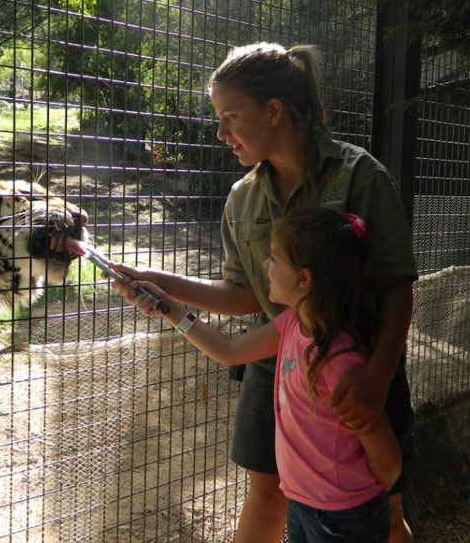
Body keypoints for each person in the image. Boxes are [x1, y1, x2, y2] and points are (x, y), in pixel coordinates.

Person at [109, 42, 416, 543]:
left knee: (384, 503)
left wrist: (378, 376)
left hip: (359, 366)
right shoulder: (242, 196)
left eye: (231, 116)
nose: (220, 132)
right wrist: (156, 282)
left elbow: (397, 287)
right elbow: (246, 294)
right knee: (268, 492)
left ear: (274, 112)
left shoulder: (359, 175)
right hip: (278, 353)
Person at [116, 207, 401, 542]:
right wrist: (170, 309)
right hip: (302, 504)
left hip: (344, 517)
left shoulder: (340, 361)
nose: (265, 265)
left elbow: (389, 464)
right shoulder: (293, 323)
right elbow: (230, 351)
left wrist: (354, 498)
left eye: (275, 258)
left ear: (304, 279)